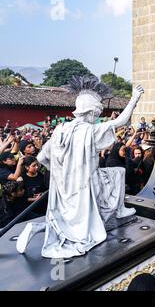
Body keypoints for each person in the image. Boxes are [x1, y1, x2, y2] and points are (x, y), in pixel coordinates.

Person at [15, 76, 144, 259]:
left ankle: (38, 227)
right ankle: (120, 209)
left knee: (65, 222)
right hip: (86, 184)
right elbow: (121, 121)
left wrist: (59, 175)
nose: (97, 118)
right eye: (96, 114)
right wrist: (134, 98)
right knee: (119, 172)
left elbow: (42, 157)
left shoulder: (60, 129)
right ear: (90, 112)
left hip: (63, 188)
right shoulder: (89, 130)